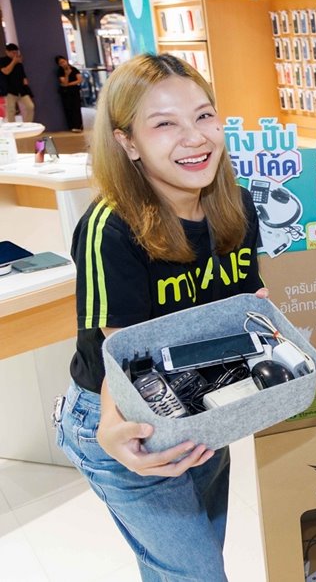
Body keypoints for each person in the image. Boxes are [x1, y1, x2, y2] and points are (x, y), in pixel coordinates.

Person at [55, 53, 265, 582]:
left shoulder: (235, 206)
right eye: (164, 124)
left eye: (203, 115)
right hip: (125, 418)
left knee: (192, 565)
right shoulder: (112, 228)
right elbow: (123, 355)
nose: (195, 138)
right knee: (197, 575)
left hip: (199, 399)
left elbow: (245, 304)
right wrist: (112, 424)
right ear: (128, 142)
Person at [1, 43, 35, 122]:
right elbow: (6, 72)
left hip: (21, 90)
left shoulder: (19, 63)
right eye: (13, 52)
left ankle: (27, 125)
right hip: (9, 90)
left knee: (30, 106)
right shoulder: (3, 60)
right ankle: (12, 127)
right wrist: (14, 62)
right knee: (11, 110)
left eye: (16, 52)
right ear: (7, 52)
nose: (15, 54)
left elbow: (23, 77)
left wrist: (28, 91)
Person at [56, 54, 84, 132]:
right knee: (69, 109)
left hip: (75, 91)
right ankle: (72, 126)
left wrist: (68, 84)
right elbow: (64, 82)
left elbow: (79, 79)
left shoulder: (74, 69)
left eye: (63, 61)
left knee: (76, 108)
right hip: (66, 93)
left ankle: (78, 126)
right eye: (61, 63)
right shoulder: (60, 72)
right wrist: (67, 75)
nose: (63, 64)